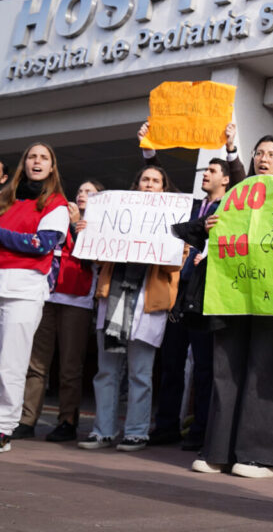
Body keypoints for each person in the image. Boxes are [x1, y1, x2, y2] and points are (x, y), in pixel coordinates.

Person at [191, 135, 273, 478]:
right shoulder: (234, 198)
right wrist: (208, 226)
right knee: (227, 370)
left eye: (272, 154)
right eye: (259, 153)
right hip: (235, 295)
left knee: (265, 371)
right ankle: (218, 452)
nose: (264, 158)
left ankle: (260, 457)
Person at [78, 165, 185, 451]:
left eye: (155, 181)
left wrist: (174, 242)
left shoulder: (174, 220)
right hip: (113, 299)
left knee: (140, 372)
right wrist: (88, 233)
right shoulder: (116, 214)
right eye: (145, 180)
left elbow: (176, 264)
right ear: (136, 186)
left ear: (163, 188)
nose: (149, 184)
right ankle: (103, 431)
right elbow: (97, 257)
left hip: (147, 303)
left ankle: (136, 432)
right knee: (107, 371)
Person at [150, 156, 239, 449]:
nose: (205, 174)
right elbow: (164, 195)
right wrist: (151, 156)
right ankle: (166, 426)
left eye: (212, 171)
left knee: (204, 365)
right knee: (171, 361)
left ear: (226, 179)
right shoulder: (188, 206)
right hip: (179, 291)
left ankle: (201, 430)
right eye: (205, 170)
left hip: (205, 294)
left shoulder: (230, 208)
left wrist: (232, 150)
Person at [16, 179, 104, 442]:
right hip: (47, 294)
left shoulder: (101, 224)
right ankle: (27, 419)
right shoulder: (57, 216)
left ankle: (67, 421)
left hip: (77, 299)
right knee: (36, 362)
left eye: (89, 192)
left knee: (69, 365)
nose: (82, 194)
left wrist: (77, 228)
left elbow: (93, 258)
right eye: (80, 190)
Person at [0, 144, 69, 454]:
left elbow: (41, 244)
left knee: (10, 364)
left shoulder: (56, 204)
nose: (36, 161)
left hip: (24, 291)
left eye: (43, 158)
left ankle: (3, 428)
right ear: (24, 163)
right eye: (32, 156)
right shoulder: (6, 199)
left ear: (52, 167)